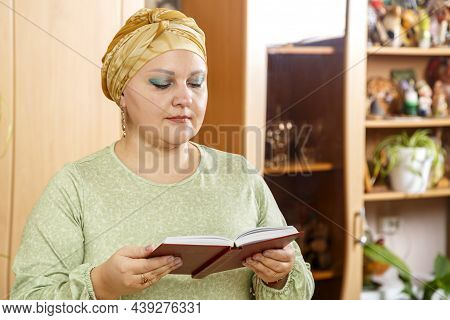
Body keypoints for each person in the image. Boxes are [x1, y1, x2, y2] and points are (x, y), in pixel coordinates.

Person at [10, 7, 314, 300]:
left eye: (196, 83)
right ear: (122, 94)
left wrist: (279, 276)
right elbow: (28, 301)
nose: (185, 98)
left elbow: (299, 290)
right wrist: (101, 283)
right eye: (161, 83)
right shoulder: (75, 187)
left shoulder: (240, 176)